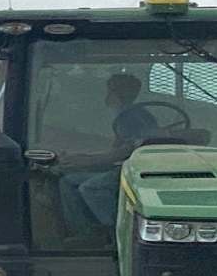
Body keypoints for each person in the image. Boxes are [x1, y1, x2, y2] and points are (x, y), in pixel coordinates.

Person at [60, 74, 158, 231]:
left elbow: (124, 152)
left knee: (91, 188)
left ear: (119, 94)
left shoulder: (131, 117)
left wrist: (87, 161)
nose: (108, 96)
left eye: (111, 91)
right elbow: (116, 148)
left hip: (135, 170)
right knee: (68, 181)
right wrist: (84, 157)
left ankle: (117, 230)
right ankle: (82, 232)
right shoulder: (129, 115)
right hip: (125, 166)